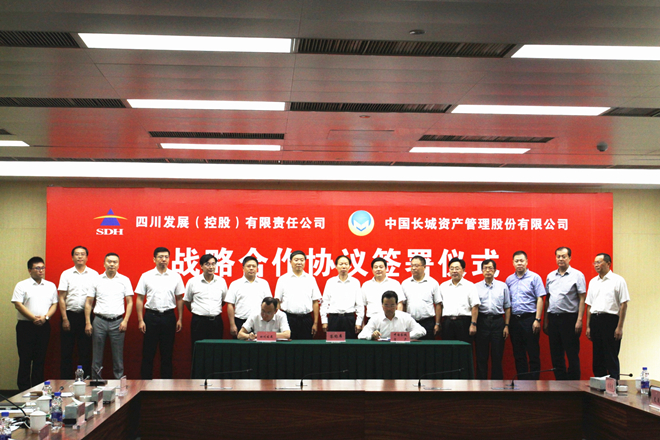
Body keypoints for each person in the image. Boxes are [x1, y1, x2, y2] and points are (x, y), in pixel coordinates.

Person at [135, 247, 185, 379]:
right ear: (154, 259)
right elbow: (139, 298)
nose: (164, 259)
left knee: (167, 354)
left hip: (169, 317)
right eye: (160, 257)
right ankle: (145, 384)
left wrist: (180, 318)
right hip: (150, 317)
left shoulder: (175, 276)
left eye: (166, 257)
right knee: (148, 353)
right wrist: (140, 320)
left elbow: (180, 298)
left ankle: (166, 385)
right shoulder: (146, 276)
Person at [11, 257, 58, 391]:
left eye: (42, 268)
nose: (40, 270)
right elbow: (18, 304)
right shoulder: (22, 285)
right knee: (25, 359)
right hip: (26, 326)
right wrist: (33, 318)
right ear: (29, 270)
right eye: (37, 268)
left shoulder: (50, 285)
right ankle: (23, 390)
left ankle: (38, 389)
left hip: (44, 326)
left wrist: (46, 317)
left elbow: (54, 304)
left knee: (40, 359)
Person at [85, 253, 133, 379]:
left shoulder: (124, 280)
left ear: (118, 264)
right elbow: (89, 302)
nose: (112, 264)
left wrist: (125, 321)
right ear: (104, 264)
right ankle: (96, 382)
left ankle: (119, 383)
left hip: (118, 322)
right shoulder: (96, 280)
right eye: (109, 261)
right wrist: (88, 322)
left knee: (118, 356)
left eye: (114, 262)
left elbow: (130, 302)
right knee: (96, 356)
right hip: (99, 321)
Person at [543, 247, 586, 380]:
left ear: (570, 258)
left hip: (569, 319)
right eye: (558, 256)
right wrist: (545, 320)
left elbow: (582, 298)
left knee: (572, 353)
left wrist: (579, 320)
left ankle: (574, 384)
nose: (561, 259)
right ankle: (560, 383)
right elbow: (547, 299)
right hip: (553, 319)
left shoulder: (577, 275)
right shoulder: (550, 276)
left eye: (564, 256)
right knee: (556, 354)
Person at [585, 253, 630, 381]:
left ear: (608, 263)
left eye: (599, 262)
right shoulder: (593, 282)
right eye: (595, 263)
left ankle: (613, 385)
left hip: (611, 320)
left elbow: (623, 304)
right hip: (595, 319)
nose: (596, 265)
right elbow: (589, 306)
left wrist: (619, 327)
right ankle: (599, 385)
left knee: (611, 355)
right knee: (597, 356)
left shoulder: (618, 280)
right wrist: (588, 326)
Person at [57, 245, 98, 379]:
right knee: (66, 351)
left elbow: (96, 297)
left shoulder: (94, 274)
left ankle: (85, 381)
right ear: (72, 257)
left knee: (85, 351)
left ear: (87, 257)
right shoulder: (66, 274)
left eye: (82, 254)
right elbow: (61, 298)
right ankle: (65, 381)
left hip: (86, 317)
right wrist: (65, 319)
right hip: (69, 315)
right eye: (77, 254)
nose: (80, 256)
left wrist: (88, 321)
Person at [506, 250, 546, 380]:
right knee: (518, 353)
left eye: (522, 261)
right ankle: (522, 382)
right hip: (515, 320)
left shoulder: (534, 278)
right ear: (513, 263)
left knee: (533, 352)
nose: (519, 263)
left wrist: (537, 319)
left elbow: (540, 298)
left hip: (530, 319)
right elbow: (507, 302)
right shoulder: (509, 280)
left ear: (527, 262)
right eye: (516, 261)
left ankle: (534, 383)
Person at [184, 254, 227, 354]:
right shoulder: (193, 282)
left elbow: (224, 300)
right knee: (198, 350)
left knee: (216, 350)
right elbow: (187, 301)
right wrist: (197, 311)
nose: (211, 267)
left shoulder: (221, 281)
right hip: (199, 322)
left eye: (213, 264)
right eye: (207, 264)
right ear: (201, 266)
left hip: (216, 322)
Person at [474, 259, 511, 380]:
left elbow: (507, 307)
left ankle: (497, 384)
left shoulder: (502, 286)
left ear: (495, 270)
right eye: (485, 268)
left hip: (498, 322)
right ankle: (481, 384)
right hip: (482, 321)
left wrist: (506, 325)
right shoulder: (476, 287)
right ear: (481, 271)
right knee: (481, 356)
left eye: (490, 268)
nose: (488, 271)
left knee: (497, 355)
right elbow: (474, 307)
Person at [274, 250, 321, 339]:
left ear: (305, 262)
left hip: (306, 319)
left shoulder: (310, 279)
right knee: (288, 345)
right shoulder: (283, 279)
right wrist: (278, 322)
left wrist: (315, 323)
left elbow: (315, 302)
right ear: (290, 262)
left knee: (306, 345)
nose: (299, 262)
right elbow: (277, 302)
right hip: (288, 319)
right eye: (296, 260)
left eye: (302, 260)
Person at [226, 256, 272, 338]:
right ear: (243, 268)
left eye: (254, 266)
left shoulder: (264, 283)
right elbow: (230, 305)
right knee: (240, 345)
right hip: (241, 322)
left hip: (260, 322)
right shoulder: (235, 284)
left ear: (257, 268)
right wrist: (232, 324)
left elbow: (269, 304)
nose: (251, 268)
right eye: (248, 266)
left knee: (260, 345)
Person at [321, 255, 364, 339]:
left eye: (346, 264)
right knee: (333, 343)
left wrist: (358, 322)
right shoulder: (330, 282)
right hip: (334, 319)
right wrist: (324, 321)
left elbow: (359, 304)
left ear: (350, 266)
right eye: (341, 264)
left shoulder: (355, 282)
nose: (343, 266)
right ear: (336, 266)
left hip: (349, 318)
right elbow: (325, 303)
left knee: (350, 344)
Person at [438, 258, 480, 344]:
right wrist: (438, 323)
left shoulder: (470, 286)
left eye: (457, 268)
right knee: (447, 348)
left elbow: (475, 306)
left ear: (463, 270)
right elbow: (439, 306)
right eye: (452, 268)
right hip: (447, 322)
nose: (454, 271)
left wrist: (473, 324)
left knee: (464, 348)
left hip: (464, 322)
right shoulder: (443, 286)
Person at [401, 255, 441, 340]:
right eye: (412, 265)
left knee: (427, 346)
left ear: (424, 267)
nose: (413, 268)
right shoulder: (405, 283)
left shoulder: (433, 283)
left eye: (416, 266)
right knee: (410, 346)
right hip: (410, 322)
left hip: (427, 322)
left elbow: (438, 304)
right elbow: (403, 305)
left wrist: (437, 324)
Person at [358, 291, 426, 340]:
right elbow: (361, 335)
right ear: (382, 305)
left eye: (392, 305)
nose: (389, 308)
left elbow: (422, 331)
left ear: (396, 305)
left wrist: (402, 336)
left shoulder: (405, 317)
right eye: (386, 305)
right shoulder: (375, 318)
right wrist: (372, 336)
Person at [361, 258, 404, 326]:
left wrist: (398, 321)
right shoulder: (366, 285)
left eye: (381, 267)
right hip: (372, 320)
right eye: (376, 267)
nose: (378, 269)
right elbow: (362, 306)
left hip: (390, 320)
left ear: (386, 268)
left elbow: (400, 303)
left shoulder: (394, 283)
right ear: (372, 269)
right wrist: (362, 324)